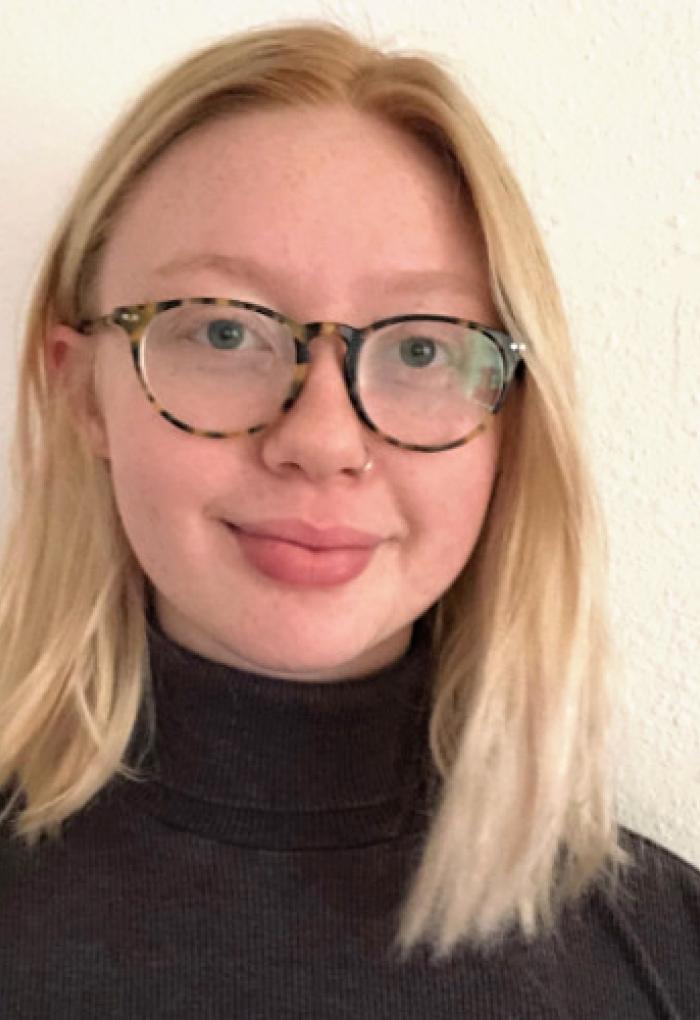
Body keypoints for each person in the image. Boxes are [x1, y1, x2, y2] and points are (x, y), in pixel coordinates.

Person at [0, 19, 697, 1019]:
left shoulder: (666, 951)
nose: (322, 439)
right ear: (82, 392)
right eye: (225, 331)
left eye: (420, 349)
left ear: (511, 415)